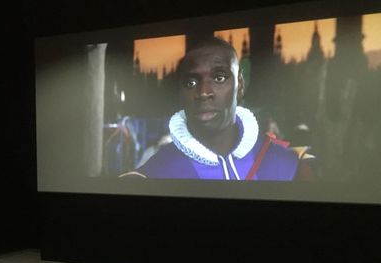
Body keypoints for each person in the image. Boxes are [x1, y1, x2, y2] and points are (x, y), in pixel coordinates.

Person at [123, 37, 309, 181]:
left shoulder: (290, 164)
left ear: (240, 85)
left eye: (219, 78)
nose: (203, 92)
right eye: (191, 82)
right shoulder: (151, 175)